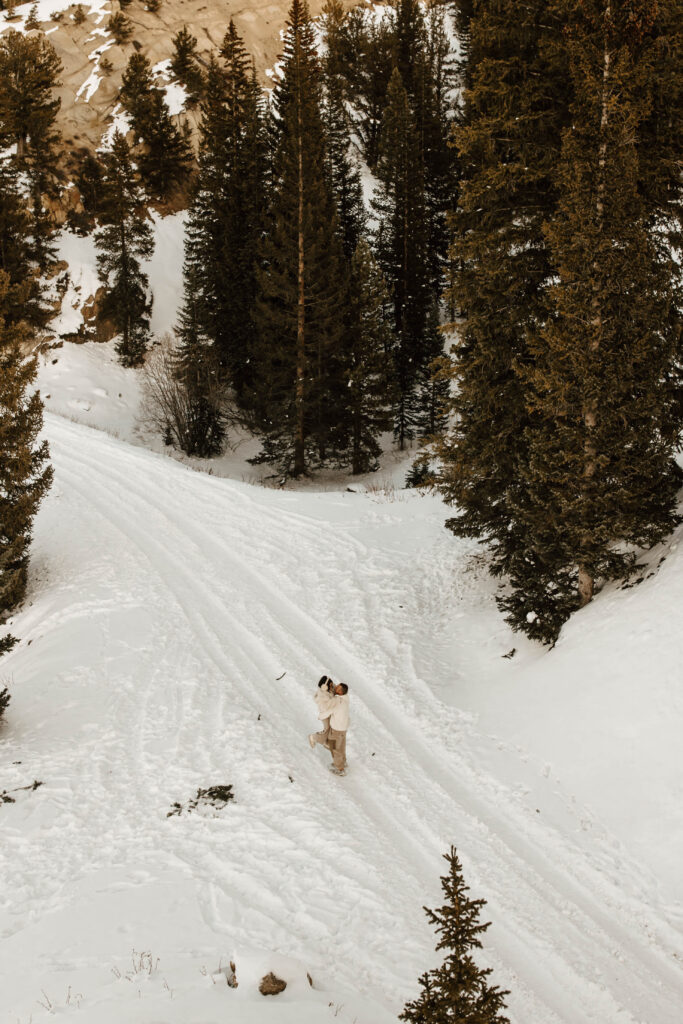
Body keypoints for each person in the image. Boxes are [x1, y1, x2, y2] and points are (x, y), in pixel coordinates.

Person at [317, 682, 350, 776]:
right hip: (343, 728)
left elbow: (329, 710)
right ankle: (343, 762)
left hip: (337, 729)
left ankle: (340, 768)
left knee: (335, 748)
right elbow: (337, 691)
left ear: (340, 692)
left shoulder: (337, 701)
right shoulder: (345, 698)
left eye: (338, 688)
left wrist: (320, 716)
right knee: (342, 746)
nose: (335, 688)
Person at [309, 675, 335, 752]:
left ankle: (327, 742)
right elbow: (325, 707)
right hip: (325, 715)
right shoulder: (323, 696)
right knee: (327, 730)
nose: (332, 687)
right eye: (330, 686)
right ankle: (314, 737)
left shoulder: (327, 692)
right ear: (324, 687)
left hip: (327, 715)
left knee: (330, 729)